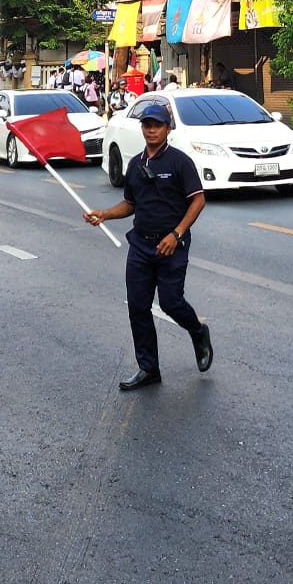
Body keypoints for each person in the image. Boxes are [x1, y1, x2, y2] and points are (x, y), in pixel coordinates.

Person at [84, 101, 212, 390]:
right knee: (138, 307)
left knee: (170, 302)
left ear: (168, 128)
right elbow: (130, 204)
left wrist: (177, 234)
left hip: (172, 247)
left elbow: (198, 200)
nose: (151, 130)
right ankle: (148, 368)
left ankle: (197, 330)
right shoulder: (136, 164)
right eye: (147, 125)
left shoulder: (179, 162)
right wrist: (104, 214)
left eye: (157, 125)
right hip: (141, 246)